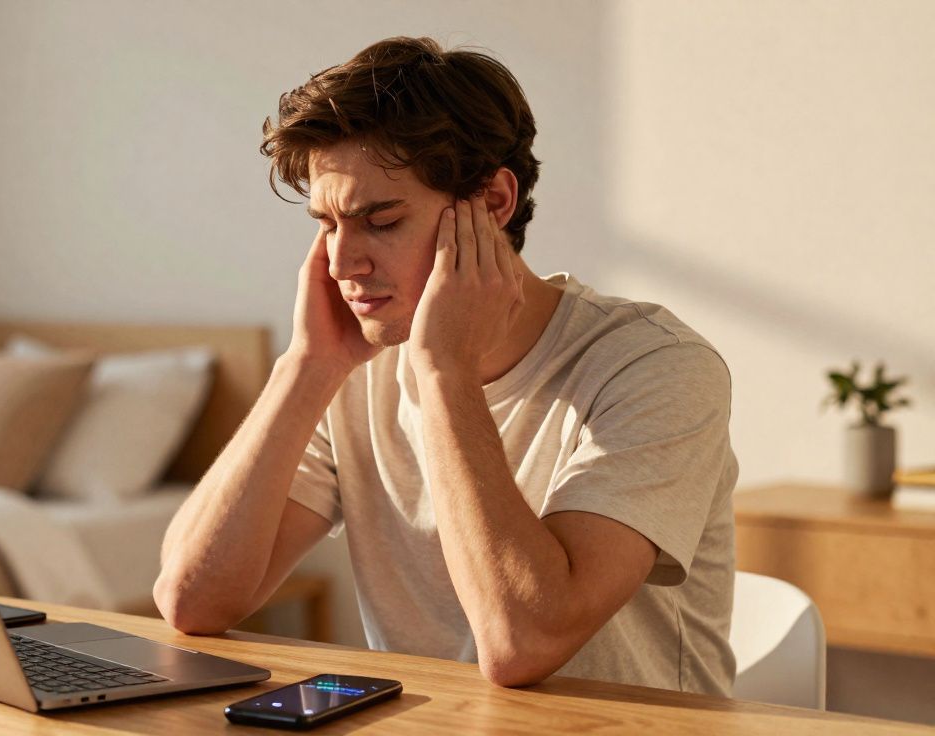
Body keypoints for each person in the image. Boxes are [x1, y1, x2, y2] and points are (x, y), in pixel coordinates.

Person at [154, 36, 738, 696]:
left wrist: (444, 375)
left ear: (493, 203)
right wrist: (307, 364)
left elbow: (523, 643)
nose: (343, 263)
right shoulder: (354, 367)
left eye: (380, 220)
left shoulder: (658, 367)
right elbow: (192, 601)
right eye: (327, 224)